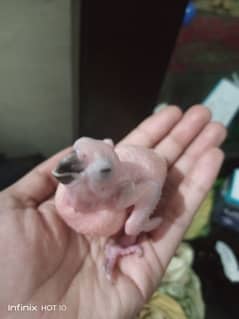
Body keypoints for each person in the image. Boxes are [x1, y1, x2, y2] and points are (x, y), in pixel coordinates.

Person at [0, 105, 226, 319]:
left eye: (98, 172)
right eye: (78, 151)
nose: (78, 163)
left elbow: (151, 188)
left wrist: (141, 224)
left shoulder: (120, 194)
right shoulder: (85, 184)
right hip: (126, 162)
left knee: (132, 225)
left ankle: (130, 237)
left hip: (144, 179)